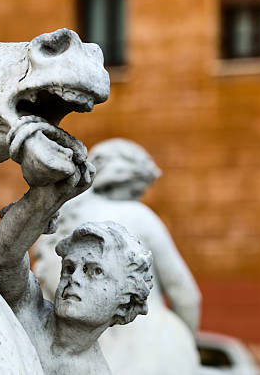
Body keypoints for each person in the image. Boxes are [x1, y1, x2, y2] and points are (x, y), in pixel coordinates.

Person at [33, 138, 202, 375]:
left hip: (86, 348)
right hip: (150, 343)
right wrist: (185, 341)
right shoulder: (140, 215)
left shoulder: (66, 219)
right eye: (137, 190)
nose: (139, 195)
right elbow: (186, 295)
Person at [0, 162, 153, 375]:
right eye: (69, 267)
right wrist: (37, 207)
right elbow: (4, 261)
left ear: (124, 304)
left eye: (94, 271)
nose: (74, 278)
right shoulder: (27, 309)